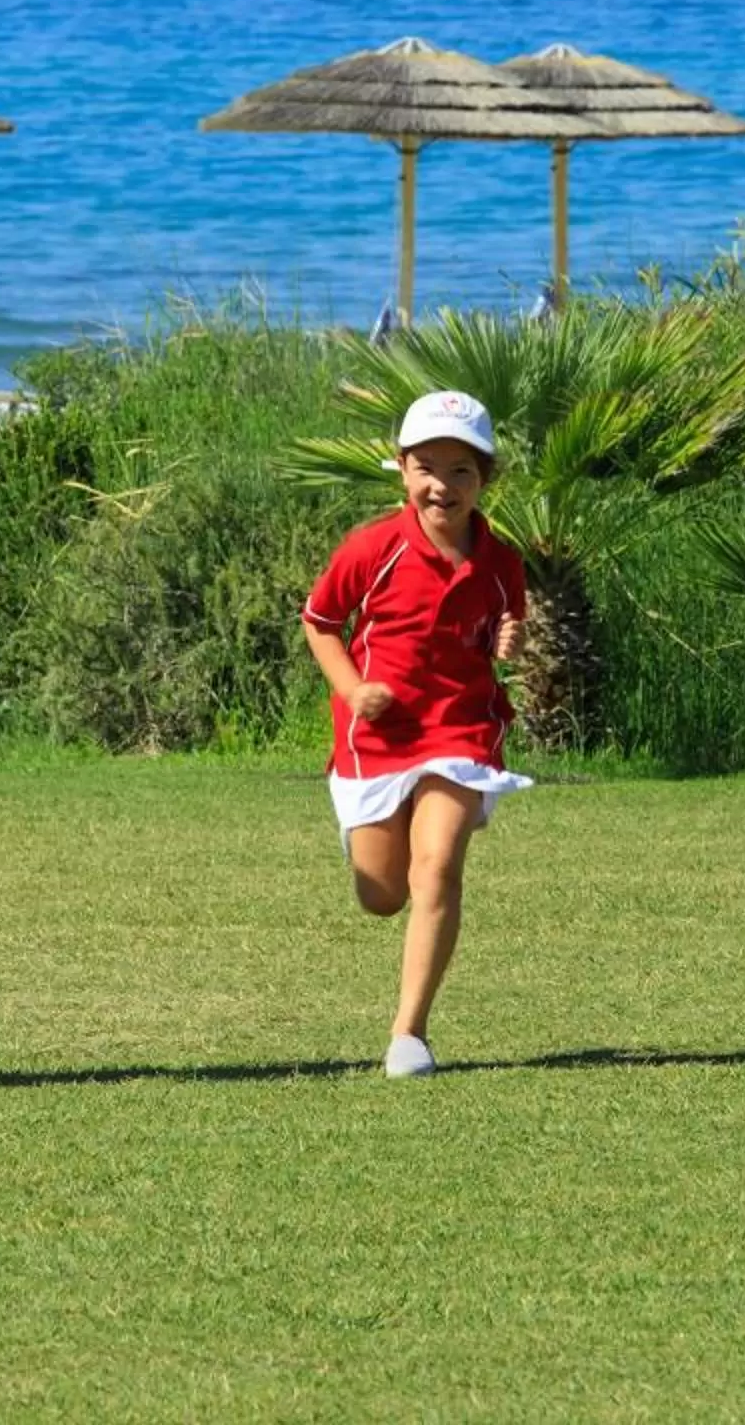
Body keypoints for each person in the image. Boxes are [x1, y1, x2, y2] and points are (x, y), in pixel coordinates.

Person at [301, 390, 530, 1076]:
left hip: (462, 732)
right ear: (402, 469)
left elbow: (501, 626)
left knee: (437, 866)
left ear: (484, 479)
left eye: (461, 471)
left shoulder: (502, 561)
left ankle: (410, 1035)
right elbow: (320, 622)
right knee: (383, 896)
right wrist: (353, 690)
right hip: (377, 740)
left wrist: (510, 640)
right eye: (426, 467)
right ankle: (372, 842)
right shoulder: (372, 548)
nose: (442, 485)